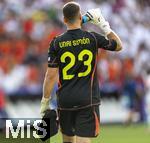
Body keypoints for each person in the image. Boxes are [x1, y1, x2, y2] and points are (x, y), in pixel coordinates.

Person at [40, 2, 122, 143]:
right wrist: (103, 24)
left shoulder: (56, 43)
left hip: (65, 99)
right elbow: (118, 45)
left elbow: (50, 75)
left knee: (67, 140)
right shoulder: (92, 37)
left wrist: (45, 102)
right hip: (87, 99)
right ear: (80, 16)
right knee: (83, 139)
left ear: (64, 19)